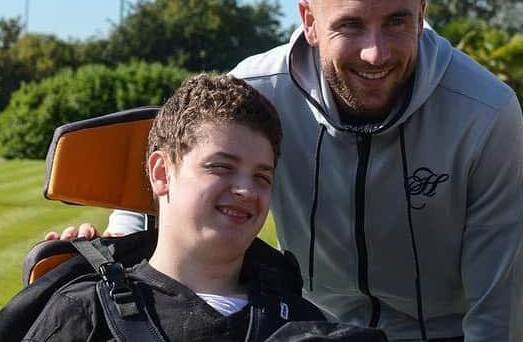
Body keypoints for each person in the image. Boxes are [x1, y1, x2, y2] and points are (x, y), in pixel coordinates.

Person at [59, 0, 523, 341]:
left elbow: (497, 306)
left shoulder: (485, 110)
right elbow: (175, 151)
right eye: (350, 25)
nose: (376, 52)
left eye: (396, 22)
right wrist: (113, 245)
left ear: (422, 13)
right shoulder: (257, 88)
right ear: (310, 22)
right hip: (308, 329)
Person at [27, 74, 329, 341]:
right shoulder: (85, 316)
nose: (246, 190)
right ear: (161, 173)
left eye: (262, 176)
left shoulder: (306, 325)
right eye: (221, 166)